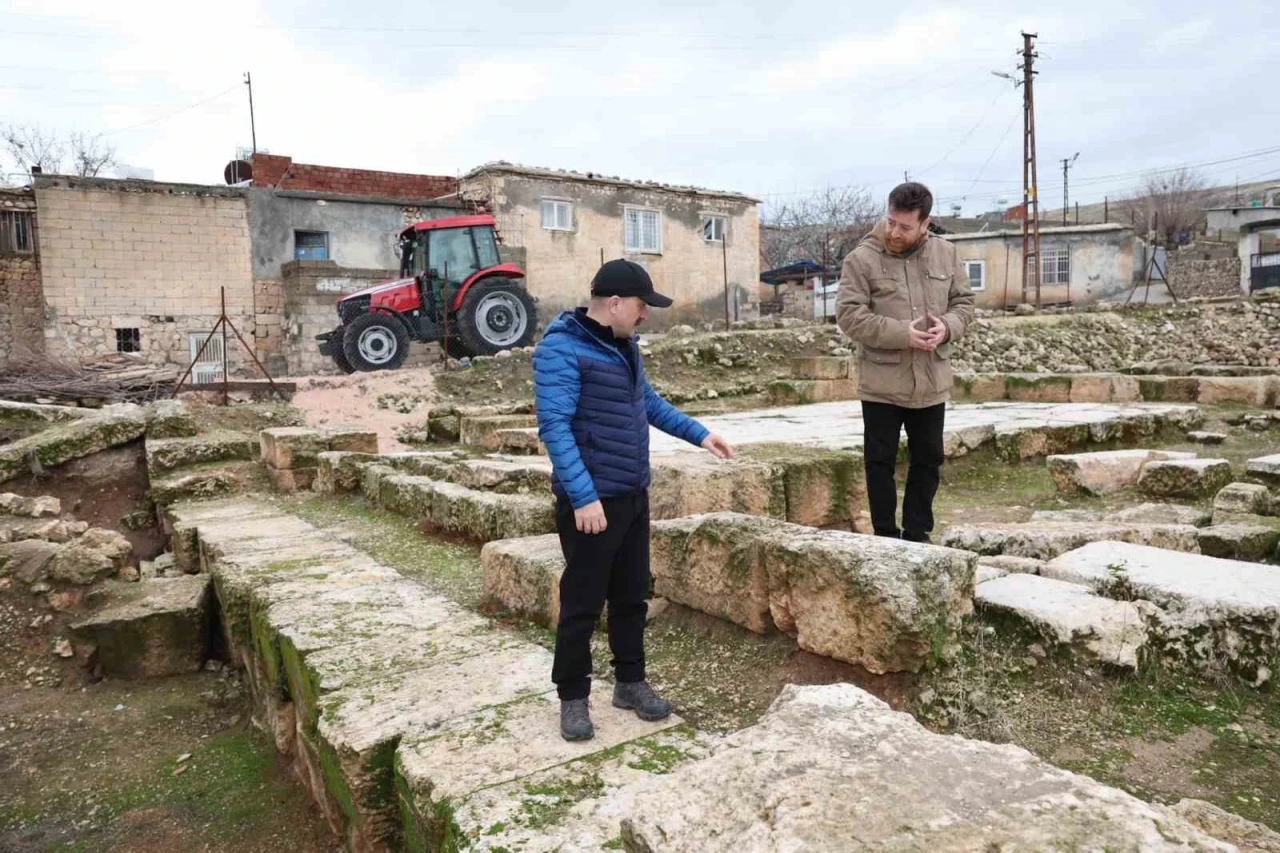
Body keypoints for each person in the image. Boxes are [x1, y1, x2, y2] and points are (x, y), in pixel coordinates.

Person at [533, 259, 734, 742]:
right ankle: (573, 697)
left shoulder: (624, 348)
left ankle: (629, 681)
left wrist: (701, 435)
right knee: (582, 602)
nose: (646, 315)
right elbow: (555, 429)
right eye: (643, 306)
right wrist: (582, 498)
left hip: (630, 494)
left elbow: (649, 404)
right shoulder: (560, 351)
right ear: (617, 303)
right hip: (590, 503)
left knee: (631, 595)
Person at [835, 182, 974, 544]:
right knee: (879, 463)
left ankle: (917, 535)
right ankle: (883, 536)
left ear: (925, 224)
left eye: (905, 226)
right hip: (882, 382)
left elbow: (965, 305)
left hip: (931, 381)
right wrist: (902, 333)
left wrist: (947, 328)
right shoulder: (860, 259)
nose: (894, 232)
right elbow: (849, 317)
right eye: (891, 222)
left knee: (928, 460)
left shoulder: (947, 254)